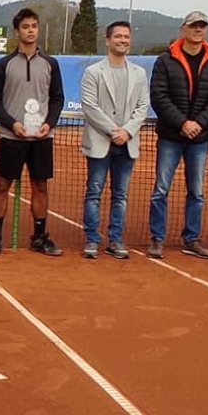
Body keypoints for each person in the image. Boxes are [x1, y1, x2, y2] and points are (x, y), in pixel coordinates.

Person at [148, 10, 208, 259]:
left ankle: (191, 238)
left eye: (203, 25)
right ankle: (157, 239)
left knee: (197, 192)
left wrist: (198, 124)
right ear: (183, 28)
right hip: (171, 136)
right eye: (194, 25)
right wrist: (182, 123)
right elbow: (159, 96)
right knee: (161, 189)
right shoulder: (165, 60)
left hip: (200, 140)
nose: (198, 29)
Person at [0, 7, 65, 257]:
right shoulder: (4, 64)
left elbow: (57, 98)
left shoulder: (51, 64)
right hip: (12, 137)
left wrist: (48, 124)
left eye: (34, 26)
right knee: (2, 184)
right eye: (26, 27)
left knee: (40, 185)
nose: (31, 31)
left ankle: (39, 237)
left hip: (41, 138)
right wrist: (13, 124)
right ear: (17, 31)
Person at [79, 21, 149, 260]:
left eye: (126, 36)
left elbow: (142, 107)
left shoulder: (139, 73)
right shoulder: (93, 72)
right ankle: (91, 240)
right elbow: (90, 107)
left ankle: (115, 240)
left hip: (127, 144)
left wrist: (127, 132)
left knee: (120, 195)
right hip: (100, 142)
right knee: (94, 192)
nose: (123, 40)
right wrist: (113, 131)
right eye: (118, 36)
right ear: (107, 40)